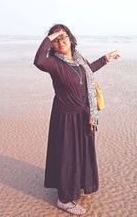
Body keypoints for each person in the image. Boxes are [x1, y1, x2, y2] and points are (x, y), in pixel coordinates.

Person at [33, 24, 120, 215]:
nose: (60, 42)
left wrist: (107, 58)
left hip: (84, 114)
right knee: (67, 156)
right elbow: (38, 60)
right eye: (56, 40)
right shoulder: (54, 63)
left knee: (81, 153)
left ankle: (76, 184)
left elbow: (89, 71)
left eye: (64, 37)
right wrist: (50, 37)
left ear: (71, 39)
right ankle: (64, 199)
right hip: (65, 116)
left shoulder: (79, 60)